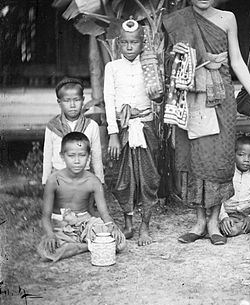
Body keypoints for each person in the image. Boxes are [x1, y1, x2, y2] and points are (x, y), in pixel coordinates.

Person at [163, 0, 250, 246]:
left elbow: (236, 61)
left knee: (218, 159)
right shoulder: (178, 21)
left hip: (221, 96)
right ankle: (199, 222)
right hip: (190, 96)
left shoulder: (227, 19)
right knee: (193, 157)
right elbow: (168, 63)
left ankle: (214, 222)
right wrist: (173, 56)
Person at [104, 19, 161, 246]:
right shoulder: (112, 68)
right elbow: (109, 102)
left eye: (134, 42)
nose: (129, 47)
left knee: (147, 178)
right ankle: (128, 223)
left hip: (145, 127)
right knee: (123, 179)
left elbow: (158, 98)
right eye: (125, 42)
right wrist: (113, 133)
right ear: (119, 43)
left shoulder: (150, 66)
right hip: (122, 129)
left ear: (141, 44)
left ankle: (144, 225)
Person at [37, 132, 125, 262]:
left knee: (120, 242)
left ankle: (79, 247)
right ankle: (89, 246)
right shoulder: (53, 180)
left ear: (88, 157)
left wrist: (113, 228)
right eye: (71, 156)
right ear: (62, 156)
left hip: (86, 224)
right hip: (62, 227)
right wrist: (50, 235)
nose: (77, 161)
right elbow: (45, 216)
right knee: (45, 251)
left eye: (82, 155)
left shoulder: (93, 181)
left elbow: (104, 214)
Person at [42, 77, 104, 186]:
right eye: (66, 100)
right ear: (59, 102)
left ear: (83, 99)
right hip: (59, 179)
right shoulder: (52, 127)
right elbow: (47, 156)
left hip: (84, 179)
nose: (72, 105)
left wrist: (100, 181)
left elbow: (96, 156)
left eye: (76, 100)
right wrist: (45, 180)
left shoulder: (91, 126)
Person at [218, 135, 250, 239]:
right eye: (241, 155)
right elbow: (217, 197)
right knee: (229, 227)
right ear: (233, 154)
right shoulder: (226, 171)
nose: (246, 160)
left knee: (235, 229)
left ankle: (242, 226)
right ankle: (223, 225)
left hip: (247, 214)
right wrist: (223, 217)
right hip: (227, 213)